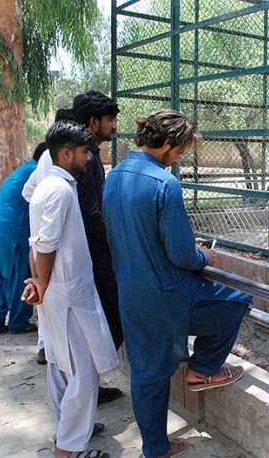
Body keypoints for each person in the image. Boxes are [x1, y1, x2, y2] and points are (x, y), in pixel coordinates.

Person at [103, 109, 251, 458]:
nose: (178, 159)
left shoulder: (115, 176)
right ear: (167, 144)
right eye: (179, 152)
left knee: (145, 371)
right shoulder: (164, 183)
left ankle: (155, 446)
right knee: (234, 302)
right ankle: (201, 370)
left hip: (130, 290)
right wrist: (203, 257)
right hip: (166, 293)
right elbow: (181, 254)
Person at [24, 121, 118, 458]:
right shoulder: (61, 191)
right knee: (82, 373)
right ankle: (68, 449)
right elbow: (45, 244)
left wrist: (39, 283)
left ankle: (71, 431)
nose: (90, 159)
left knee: (62, 368)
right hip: (67, 296)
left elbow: (36, 244)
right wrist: (44, 283)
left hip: (58, 294)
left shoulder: (47, 187)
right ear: (65, 153)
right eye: (84, 152)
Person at [0, 145, 46, 336]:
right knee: (18, 278)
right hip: (13, 233)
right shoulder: (36, 172)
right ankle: (18, 322)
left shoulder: (24, 170)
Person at [26, 108, 76, 364]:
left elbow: (29, 193)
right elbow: (46, 241)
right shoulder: (59, 188)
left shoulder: (53, 178)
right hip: (49, 250)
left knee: (50, 313)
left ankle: (47, 349)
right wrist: (47, 223)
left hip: (44, 245)